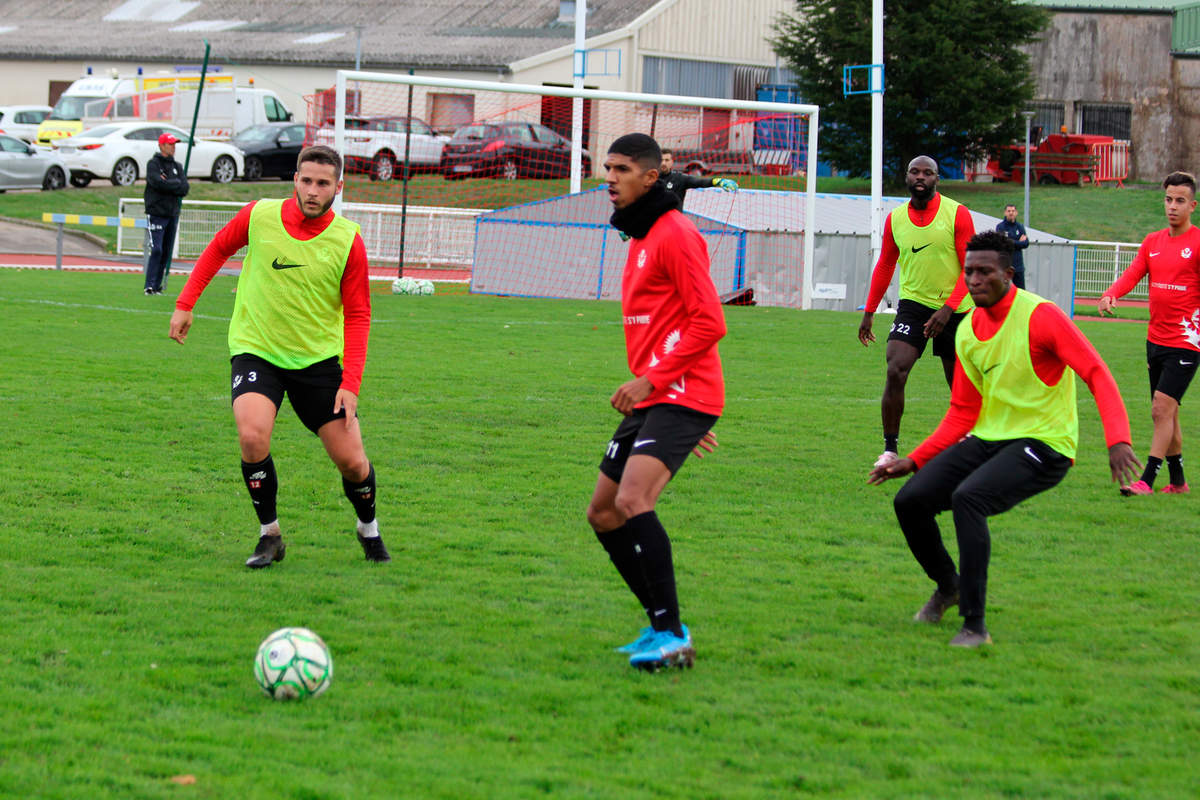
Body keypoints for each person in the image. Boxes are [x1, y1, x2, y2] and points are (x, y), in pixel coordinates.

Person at [869, 231, 1140, 647]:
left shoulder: (1042, 316)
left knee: (969, 499)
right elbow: (962, 412)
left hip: (1046, 445)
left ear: (1008, 274)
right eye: (969, 271)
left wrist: (1118, 439)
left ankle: (974, 625)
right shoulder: (966, 332)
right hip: (990, 438)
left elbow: (1096, 373)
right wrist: (914, 460)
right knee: (910, 500)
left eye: (984, 271)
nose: (974, 280)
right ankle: (948, 586)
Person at [168, 145, 389, 568]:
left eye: (323, 183)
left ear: (337, 188)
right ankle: (270, 535)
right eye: (306, 181)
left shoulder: (347, 241)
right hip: (258, 351)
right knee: (251, 436)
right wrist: (185, 303)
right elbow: (217, 249)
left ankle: (368, 528)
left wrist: (351, 384)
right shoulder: (259, 215)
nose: (312, 190)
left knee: (354, 463)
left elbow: (359, 315)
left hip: (318, 364)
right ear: (295, 180)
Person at [586, 133, 725, 672]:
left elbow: (710, 322)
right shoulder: (642, 235)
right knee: (602, 512)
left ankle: (672, 636)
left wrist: (657, 387)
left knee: (632, 502)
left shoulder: (675, 234)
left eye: (621, 169)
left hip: (678, 392)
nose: (610, 178)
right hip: (666, 398)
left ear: (650, 177)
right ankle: (659, 623)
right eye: (607, 167)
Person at [858, 155, 976, 469]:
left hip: (957, 309)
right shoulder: (895, 218)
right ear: (907, 177)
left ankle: (971, 443)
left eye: (927, 172)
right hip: (913, 306)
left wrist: (948, 310)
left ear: (937, 178)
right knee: (895, 369)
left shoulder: (957, 214)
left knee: (959, 386)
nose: (920, 177)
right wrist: (869, 311)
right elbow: (885, 265)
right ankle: (890, 449)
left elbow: (970, 269)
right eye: (914, 171)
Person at [1099, 171, 1200, 495]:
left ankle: (1147, 480)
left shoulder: (1197, 243)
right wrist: (1111, 293)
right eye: (1169, 199)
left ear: (1192, 205)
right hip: (1155, 339)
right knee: (1168, 413)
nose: (1172, 206)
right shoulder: (1153, 242)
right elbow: (1133, 273)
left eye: (1180, 201)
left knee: (1160, 409)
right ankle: (1179, 483)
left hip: (1186, 341)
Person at [143, 132, 189, 295]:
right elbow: (156, 183)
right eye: (170, 144)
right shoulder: (153, 164)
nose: (173, 147)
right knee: (157, 249)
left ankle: (157, 286)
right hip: (157, 213)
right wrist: (173, 185)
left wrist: (170, 183)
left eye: (174, 144)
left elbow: (184, 188)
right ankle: (149, 285)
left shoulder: (177, 167)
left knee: (166, 251)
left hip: (172, 213)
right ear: (161, 145)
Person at [659, 148, 738, 204]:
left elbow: (699, 182)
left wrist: (718, 181)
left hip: (674, 221)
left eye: (666, 160)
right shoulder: (651, 179)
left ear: (672, 162)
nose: (663, 163)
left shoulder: (679, 178)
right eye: (661, 160)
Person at [994, 204, 1030, 289]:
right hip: (1005, 266)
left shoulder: (1020, 227)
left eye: (1013, 211)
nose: (1011, 213)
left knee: (1021, 292)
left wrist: (1010, 241)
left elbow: (1026, 243)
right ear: (1005, 213)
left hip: (1018, 267)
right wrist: (1018, 242)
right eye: (1009, 211)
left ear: (1016, 213)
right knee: (1004, 291)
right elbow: (1002, 243)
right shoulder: (1000, 227)